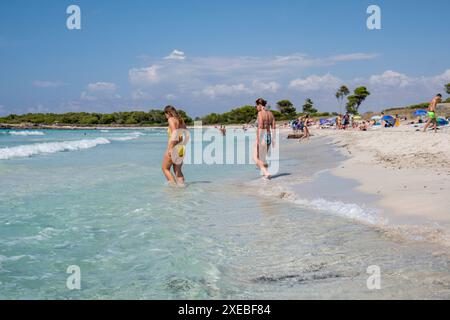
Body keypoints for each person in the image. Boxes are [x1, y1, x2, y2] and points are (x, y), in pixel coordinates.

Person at [162, 105, 187, 186]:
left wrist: (170, 148)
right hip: (181, 147)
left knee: (165, 168)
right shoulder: (181, 120)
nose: (165, 116)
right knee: (178, 171)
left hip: (174, 147)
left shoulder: (171, 119)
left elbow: (174, 133)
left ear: (168, 113)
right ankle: (182, 187)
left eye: (165, 114)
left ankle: (173, 187)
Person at [253, 98, 275, 180]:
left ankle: (266, 173)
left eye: (256, 106)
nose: (256, 108)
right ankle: (265, 174)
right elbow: (273, 126)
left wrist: (258, 139)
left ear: (259, 105)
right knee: (262, 158)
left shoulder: (260, 113)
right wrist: (273, 139)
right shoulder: (270, 113)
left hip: (262, 136)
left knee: (255, 158)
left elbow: (261, 125)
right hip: (269, 136)